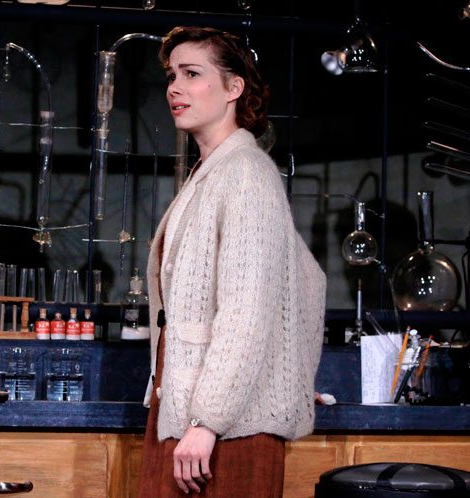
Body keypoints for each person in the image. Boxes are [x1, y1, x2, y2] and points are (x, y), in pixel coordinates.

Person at [138, 26, 326, 498]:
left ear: (233, 88)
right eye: (172, 75)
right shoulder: (215, 170)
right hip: (189, 412)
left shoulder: (245, 173)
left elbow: (247, 311)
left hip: (221, 429)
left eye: (192, 74)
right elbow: (302, 279)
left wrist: (208, 421)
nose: (175, 88)